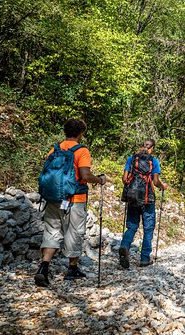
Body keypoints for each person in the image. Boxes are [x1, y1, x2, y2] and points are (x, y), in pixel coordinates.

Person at [34, 118, 109, 287]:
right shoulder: (81, 151)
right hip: (74, 199)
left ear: (65, 131)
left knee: (52, 231)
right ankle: (72, 268)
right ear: (81, 133)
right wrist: (100, 180)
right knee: (74, 232)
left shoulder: (55, 149)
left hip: (53, 198)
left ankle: (43, 268)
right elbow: (84, 175)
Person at [119, 139, 167, 268]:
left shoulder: (131, 159)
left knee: (132, 226)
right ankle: (145, 259)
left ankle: (124, 246)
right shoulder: (154, 161)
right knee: (148, 228)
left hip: (133, 198)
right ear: (152, 148)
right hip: (148, 198)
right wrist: (163, 186)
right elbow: (156, 181)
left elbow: (124, 179)